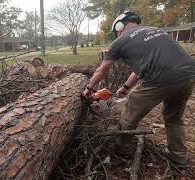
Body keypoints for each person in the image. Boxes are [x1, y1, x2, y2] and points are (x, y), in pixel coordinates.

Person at [83, 11, 195, 169]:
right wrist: (126, 86)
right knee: (174, 118)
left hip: (160, 77)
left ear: (119, 27)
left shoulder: (120, 41)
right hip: (188, 75)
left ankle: (121, 150)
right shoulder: (156, 30)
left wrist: (89, 88)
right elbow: (141, 68)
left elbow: (102, 70)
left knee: (131, 107)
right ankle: (179, 158)